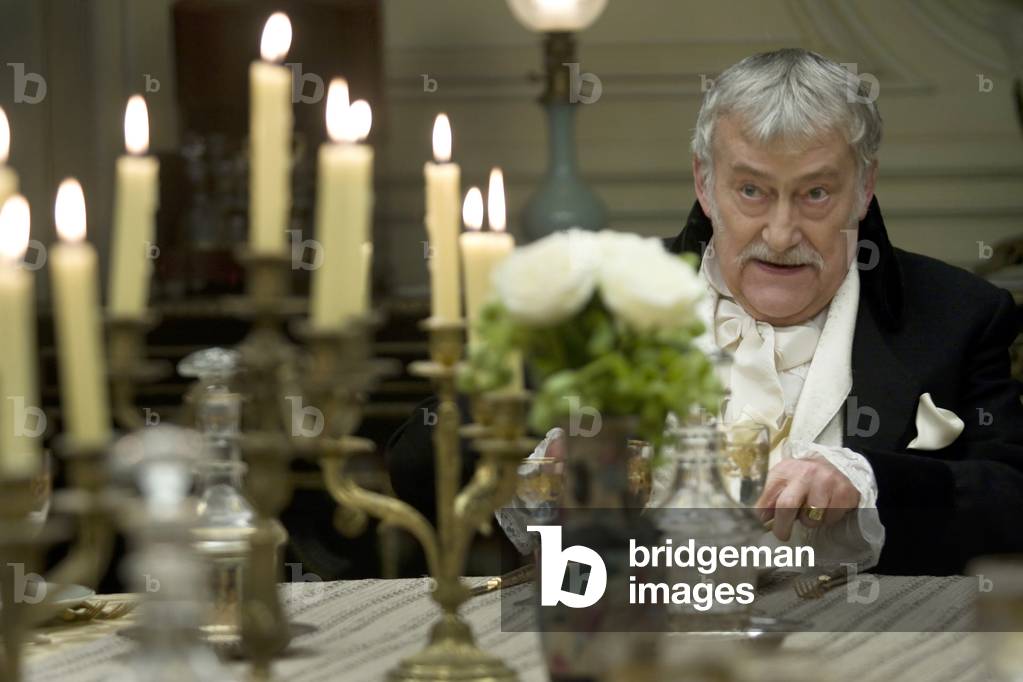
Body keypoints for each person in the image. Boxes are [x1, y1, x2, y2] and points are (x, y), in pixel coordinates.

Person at [387, 48, 1023, 575]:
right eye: (751, 190)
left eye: (815, 193)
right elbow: (416, 464)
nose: (781, 234)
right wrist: (538, 468)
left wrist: (875, 485)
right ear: (703, 182)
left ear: (864, 188)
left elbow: (1013, 501)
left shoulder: (959, 315)